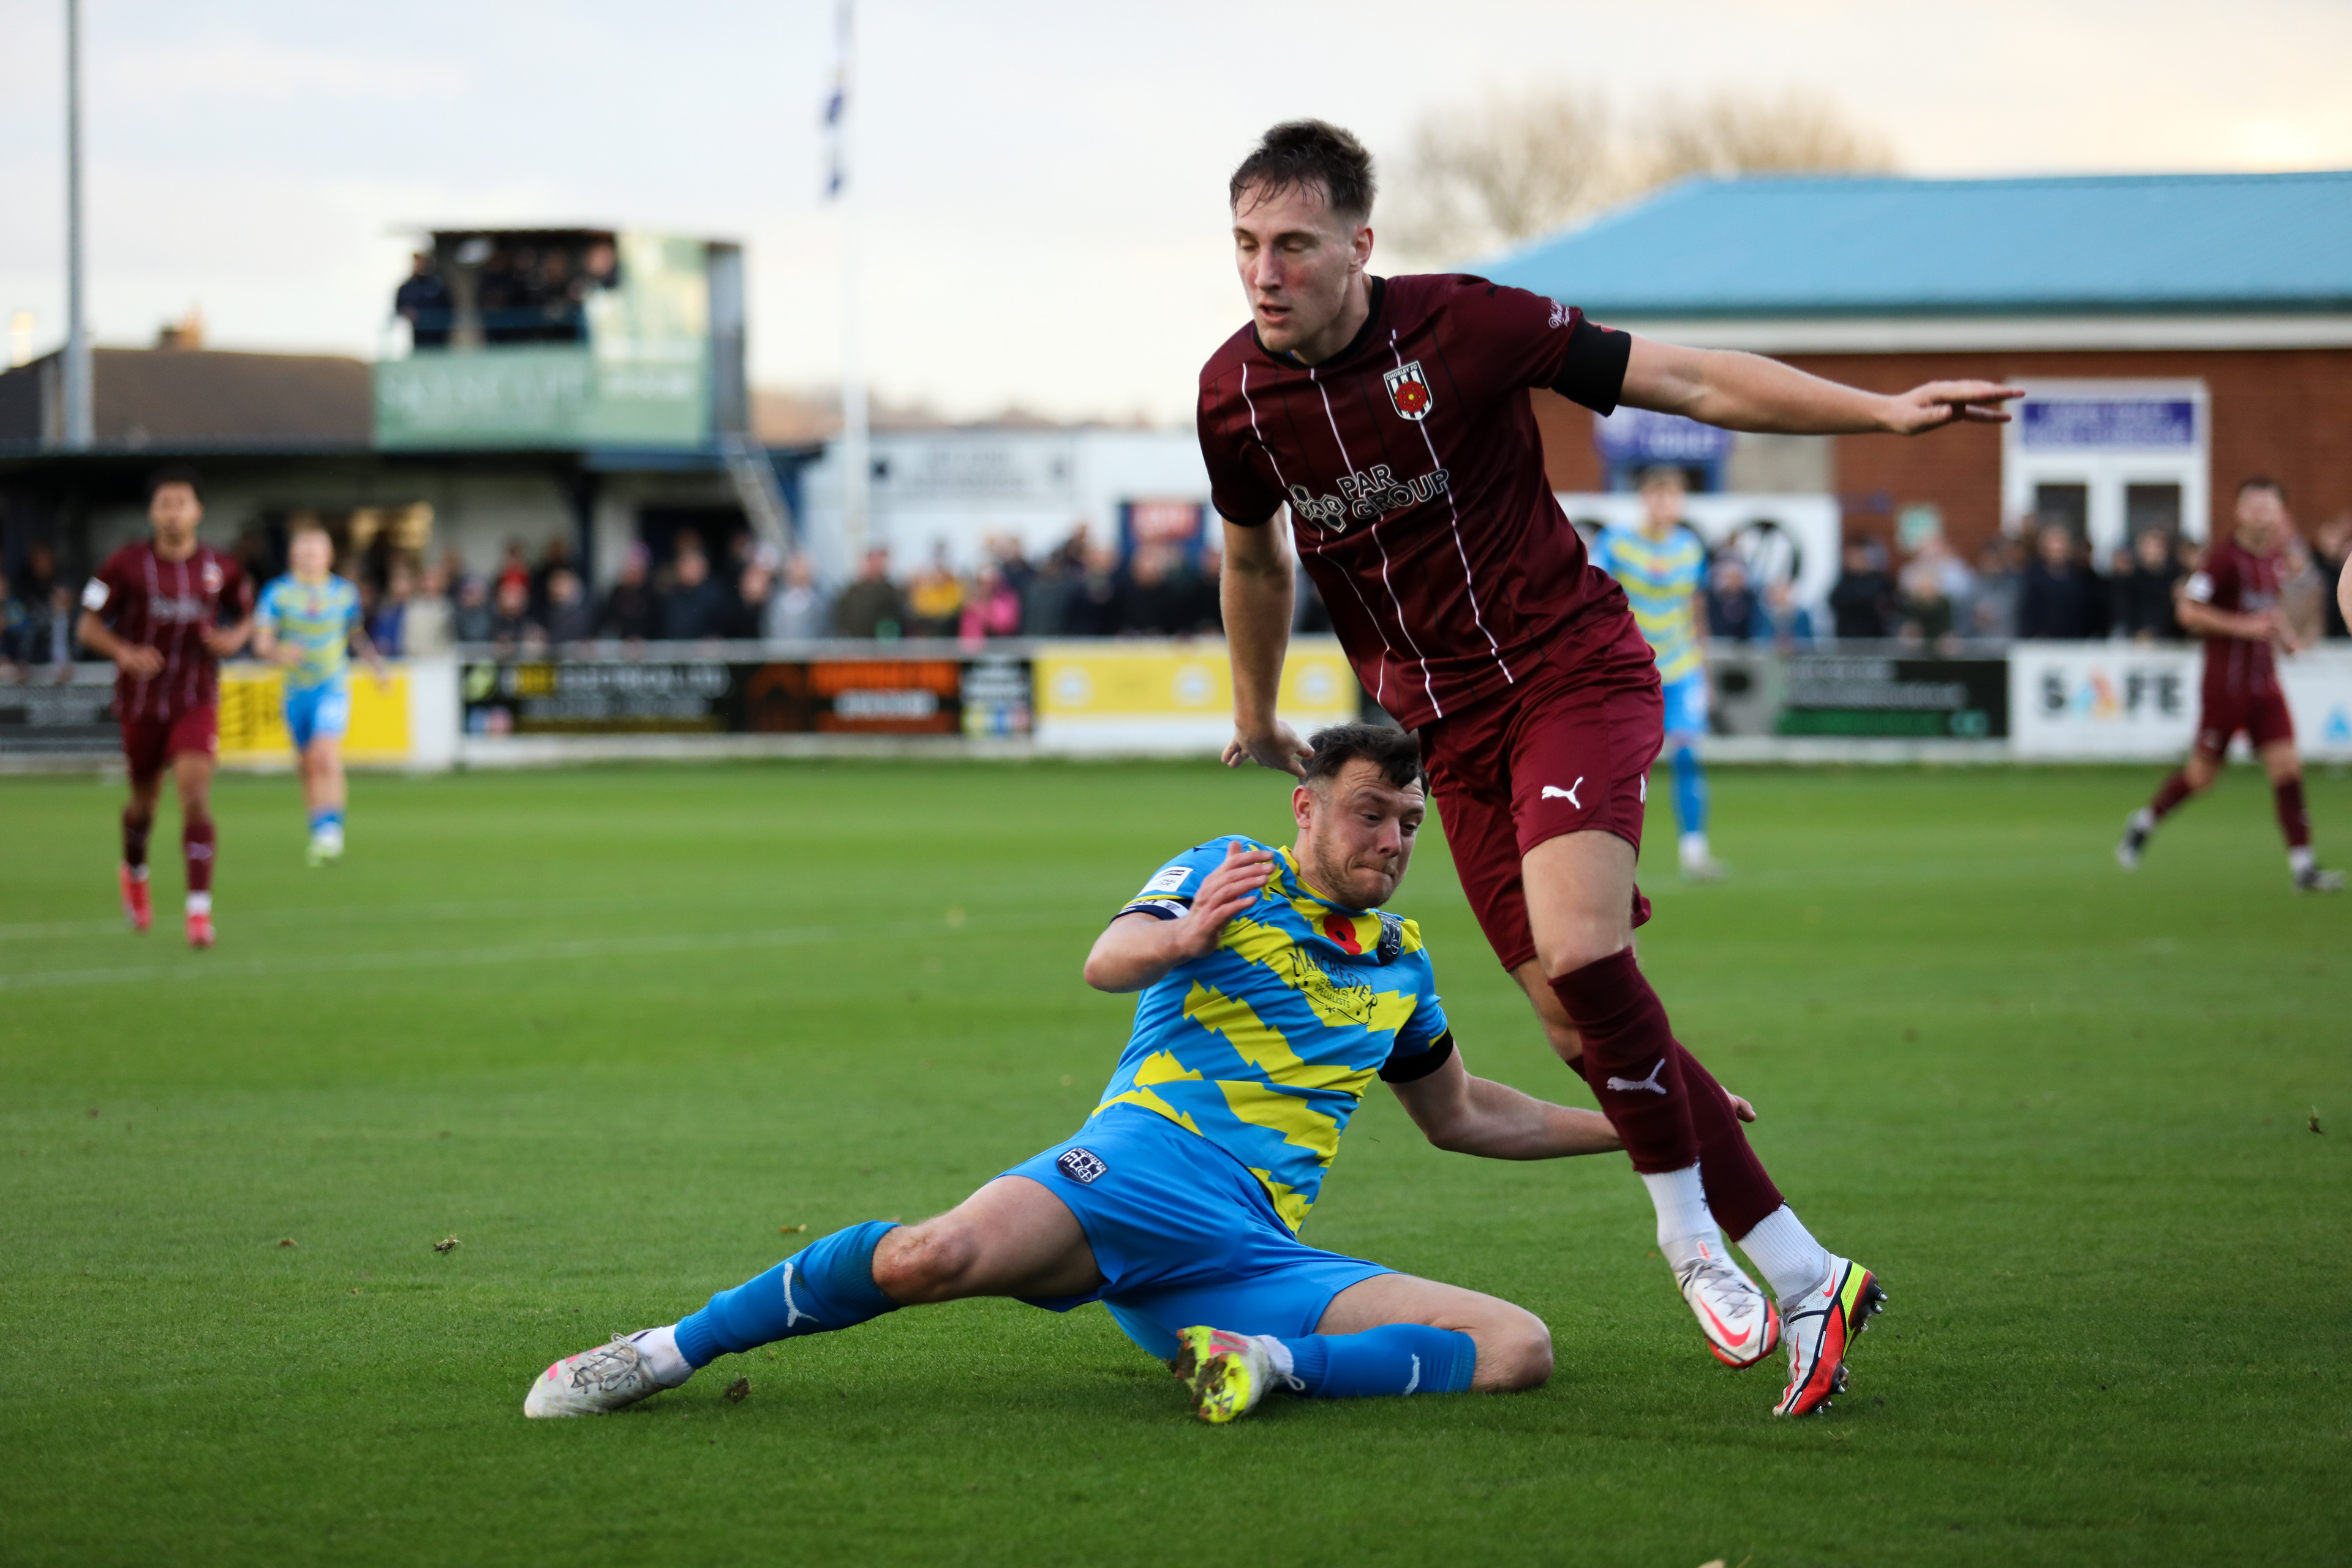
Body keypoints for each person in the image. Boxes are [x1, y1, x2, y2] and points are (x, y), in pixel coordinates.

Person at [1200, 122, 2015, 1413]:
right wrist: (1252, 701)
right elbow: (1254, 560)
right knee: (1579, 1021)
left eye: (1292, 243)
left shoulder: (1467, 326)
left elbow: (1685, 381)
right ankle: (1810, 1271)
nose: (1265, 270)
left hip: (1571, 670)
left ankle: (1691, 1238)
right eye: (1246, 244)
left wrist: (1881, 412)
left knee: (1582, 949)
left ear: (1361, 242)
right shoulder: (1231, 396)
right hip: (1447, 735)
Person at [524, 726, 1645, 1423]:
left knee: (1514, 1349)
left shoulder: (1402, 963)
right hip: (1140, 1167)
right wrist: (1183, 941)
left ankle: (1260, 1363)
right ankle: (661, 1352)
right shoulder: (1229, 873)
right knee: (932, 1255)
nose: (1393, 841)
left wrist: (1644, 1122)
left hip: (1249, 1249)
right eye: (1370, 813)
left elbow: (1463, 1115)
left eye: (1410, 822)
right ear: (1305, 806)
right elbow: (1109, 959)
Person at [2118, 478, 2341, 892]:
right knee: (2202, 777)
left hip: (2265, 685)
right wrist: (2245, 627)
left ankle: (2304, 868)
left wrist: (2287, 636)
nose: (2260, 513)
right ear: (2239, 511)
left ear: (2280, 513)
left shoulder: (2275, 558)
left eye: (2268, 506)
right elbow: (2188, 611)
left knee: (2288, 767)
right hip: (2226, 687)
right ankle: (2144, 821)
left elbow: (2268, 613)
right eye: (2252, 505)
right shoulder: (2222, 560)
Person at [74, 466, 254, 948]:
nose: (173, 513)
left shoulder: (223, 567)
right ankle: (134, 870)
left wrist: (233, 638)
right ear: (153, 513)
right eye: (164, 504)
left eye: (182, 503)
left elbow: (247, 616)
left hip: (196, 697)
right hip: (141, 702)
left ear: (198, 511)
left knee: (194, 793)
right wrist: (124, 652)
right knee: (144, 804)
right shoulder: (123, 564)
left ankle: (199, 913)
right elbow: (87, 625)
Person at [1591, 468, 1723, 880]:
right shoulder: (1616, 544)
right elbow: (1594, 601)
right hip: (1630, 672)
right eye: (1657, 496)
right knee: (1624, 766)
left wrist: (1706, 669)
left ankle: (1695, 853)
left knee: (1687, 756)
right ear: (1643, 499)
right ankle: (1610, 855)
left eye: (1672, 497)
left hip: (1681, 672)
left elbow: (1695, 609)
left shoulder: (1689, 548)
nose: (1664, 505)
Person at [252, 522, 390, 865]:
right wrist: (279, 654)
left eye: (316, 552)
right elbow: (262, 642)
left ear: (328, 556)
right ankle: (318, 829)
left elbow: (355, 634)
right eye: (304, 552)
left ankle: (333, 831)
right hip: (296, 690)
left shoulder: (344, 593)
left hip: (332, 684)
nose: (310, 558)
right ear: (293, 556)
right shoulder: (277, 593)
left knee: (326, 755)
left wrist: (376, 666)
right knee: (307, 764)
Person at [2016, 522, 2106, 639]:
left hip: (2073, 643)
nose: (2058, 553)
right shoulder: (2033, 577)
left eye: (2061, 549)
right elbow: (2028, 614)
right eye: (2054, 549)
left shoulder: (2079, 578)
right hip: (2041, 644)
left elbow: (2086, 614)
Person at [2113, 528, 2184, 641]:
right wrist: (2138, 632)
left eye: (2159, 547)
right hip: (2139, 643)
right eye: (2152, 547)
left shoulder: (2174, 579)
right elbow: (2125, 612)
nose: (2156, 552)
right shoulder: (2131, 581)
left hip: (2170, 642)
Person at [831, 547, 907, 639]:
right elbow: (842, 618)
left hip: (881, 644)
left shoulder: (890, 590)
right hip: (856, 642)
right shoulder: (852, 591)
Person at [1827, 539, 1894, 641]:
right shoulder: (1844, 581)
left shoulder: (1877, 580)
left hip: (1874, 638)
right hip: (1848, 637)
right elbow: (1834, 601)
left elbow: (1885, 602)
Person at [597, 545, 658, 642]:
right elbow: (606, 621)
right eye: (631, 569)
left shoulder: (652, 594)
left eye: (637, 570)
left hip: (648, 649)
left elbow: (656, 625)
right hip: (620, 648)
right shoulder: (617, 593)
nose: (633, 574)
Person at [767, 551, 830, 640]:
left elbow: (825, 630)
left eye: (803, 567)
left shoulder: (821, 603)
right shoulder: (776, 602)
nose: (799, 572)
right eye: (796, 567)